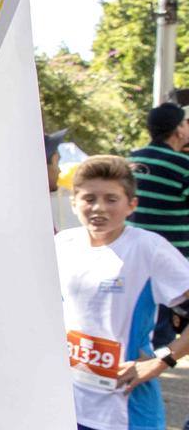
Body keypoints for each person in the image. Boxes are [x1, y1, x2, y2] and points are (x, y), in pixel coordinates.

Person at [56, 155, 189, 430]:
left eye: (111, 199)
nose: (99, 208)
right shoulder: (62, 245)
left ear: (131, 205)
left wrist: (162, 360)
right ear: (73, 202)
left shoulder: (149, 249)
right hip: (70, 405)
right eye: (89, 198)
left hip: (127, 409)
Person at [126, 103, 189, 348]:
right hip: (172, 262)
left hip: (133, 259)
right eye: (185, 123)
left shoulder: (131, 159)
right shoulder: (183, 166)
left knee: (141, 328)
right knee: (162, 334)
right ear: (178, 131)